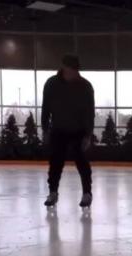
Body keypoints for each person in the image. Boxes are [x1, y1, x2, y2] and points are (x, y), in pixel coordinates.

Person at [41, 55, 95, 208]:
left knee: (82, 162)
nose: (74, 73)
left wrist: (88, 135)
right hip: (58, 129)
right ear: (64, 67)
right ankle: (53, 192)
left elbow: (90, 112)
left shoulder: (85, 86)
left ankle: (87, 193)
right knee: (55, 163)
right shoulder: (51, 84)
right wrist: (45, 129)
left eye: (76, 70)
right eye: (71, 70)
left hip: (79, 130)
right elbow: (45, 108)